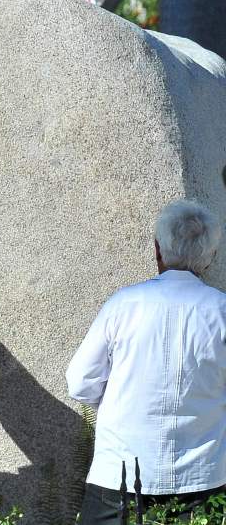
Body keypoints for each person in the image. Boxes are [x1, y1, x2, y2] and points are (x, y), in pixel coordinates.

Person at [66, 199, 226, 524]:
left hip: (120, 474)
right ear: (210, 257)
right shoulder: (222, 312)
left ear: (157, 249)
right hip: (203, 478)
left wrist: (122, 405)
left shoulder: (123, 305)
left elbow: (80, 383)